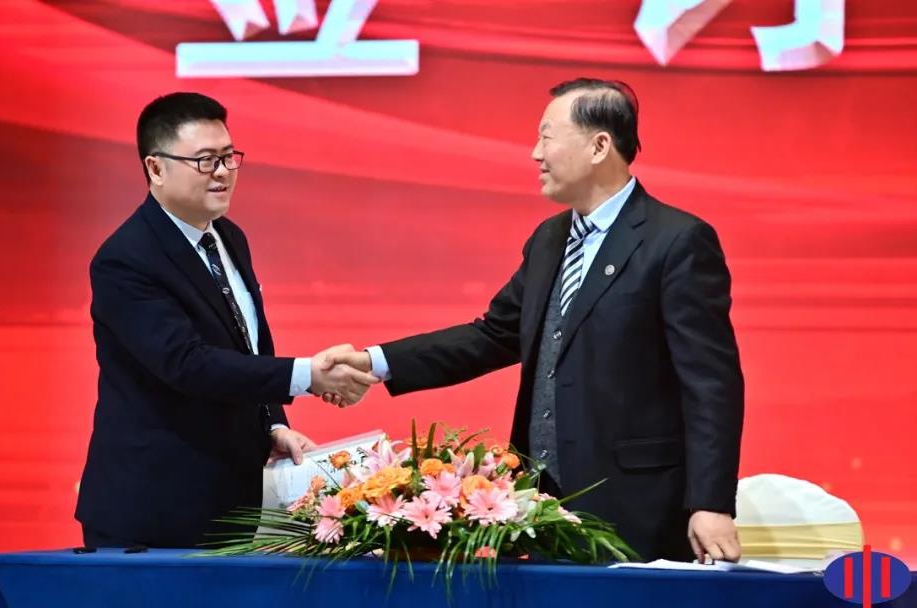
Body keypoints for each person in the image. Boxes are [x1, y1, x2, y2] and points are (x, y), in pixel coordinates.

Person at [328, 78, 744, 562]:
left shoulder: (676, 240)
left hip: (638, 506)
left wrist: (711, 502)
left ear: (599, 146)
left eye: (547, 137)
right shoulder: (550, 238)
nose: (535, 154)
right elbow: (493, 335)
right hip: (540, 505)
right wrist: (374, 362)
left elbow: (711, 384)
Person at [75, 92, 379, 548]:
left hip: (230, 500)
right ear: (156, 168)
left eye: (228, 157)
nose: (221, 172)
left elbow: (246, 346)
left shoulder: (228, 237)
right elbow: (188, 364)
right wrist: (308, 376)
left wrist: (271, 424)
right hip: (153, 510)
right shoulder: (126, 259)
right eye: (205, 160)